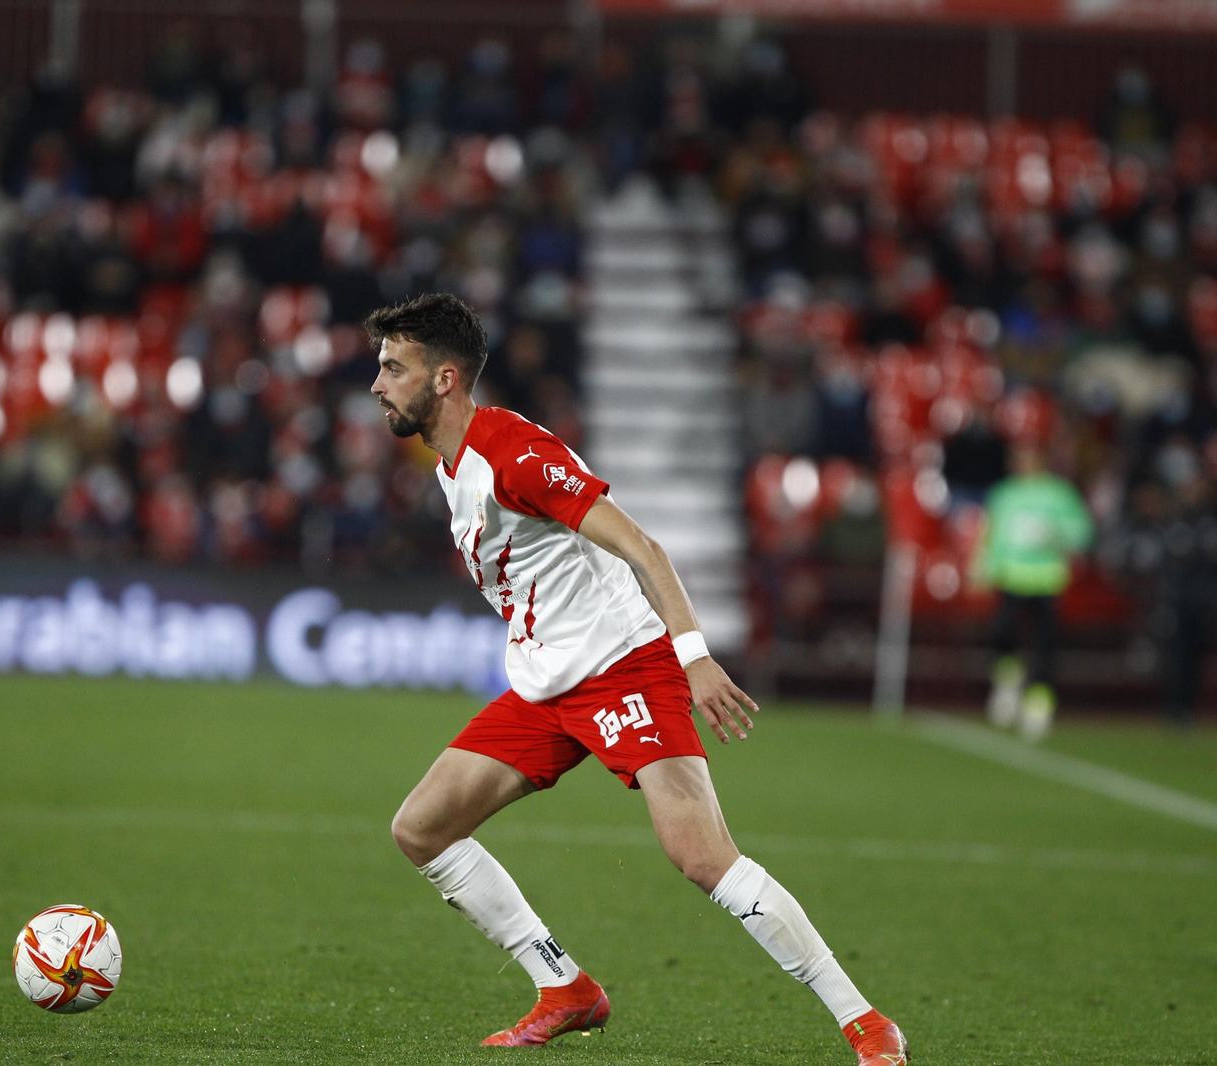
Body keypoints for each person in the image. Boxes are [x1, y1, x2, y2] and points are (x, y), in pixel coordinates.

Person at [366, 293, 906, 1063]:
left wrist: (695, 658)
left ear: (445, 378)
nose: (378, 383)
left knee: (702, 857)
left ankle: (864, 1020)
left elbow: (646, 548)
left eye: (394, 367)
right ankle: (564, 988)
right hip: (547, 684)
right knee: (421, 829)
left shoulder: (513, 454)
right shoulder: (453, 465)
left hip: (625, 668)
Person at [976, 440, 1092, 741]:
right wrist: (986, 568)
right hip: (1012, 576)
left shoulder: (1059, 494)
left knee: (1045, 646)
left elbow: (1082, 533)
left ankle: (1039, 703)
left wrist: (1056, 534)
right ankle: (1008, 683)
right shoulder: (1004, 494)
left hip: (1046, 578)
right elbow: (992, 534)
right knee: (1003, 632)